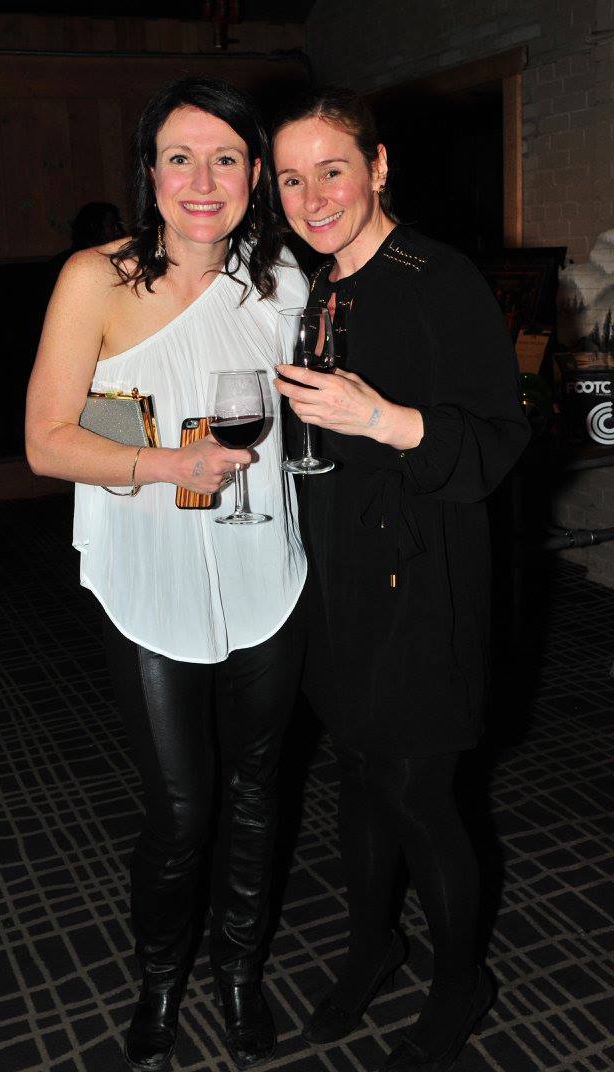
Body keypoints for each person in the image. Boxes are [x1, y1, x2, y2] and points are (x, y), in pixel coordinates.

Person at [26, 77, 307, 1072]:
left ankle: (239, 973)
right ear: (149, 174)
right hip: (149, 574)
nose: (202, 180)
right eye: (179, 158)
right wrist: (163, 464)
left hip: (265, 564)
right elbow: (47, 442)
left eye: (225, 158)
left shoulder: (280, 282)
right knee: (183, 809)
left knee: (258, 793)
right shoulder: (96, 279)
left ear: (254, 175)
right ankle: (158, 981)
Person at [272, 89, 530, 1072]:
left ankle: (462, 981)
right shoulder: (319, 285)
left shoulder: (438, 276)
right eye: (291, 179)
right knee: (357, 775)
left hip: (422, 580)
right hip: (337, 574)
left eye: (332, 170)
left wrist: (381, 419)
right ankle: (372, 946)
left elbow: (498, 442)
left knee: (418, 792)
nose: (313, 197)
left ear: (377, 169)